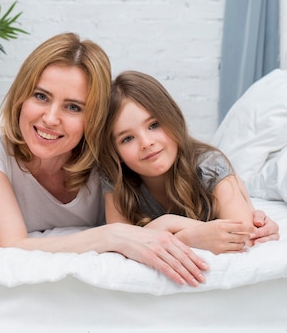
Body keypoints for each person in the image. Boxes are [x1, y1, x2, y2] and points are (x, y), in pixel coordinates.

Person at [0, 32, 279, 286]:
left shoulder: (103, 156)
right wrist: (113, 236)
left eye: (73, 107)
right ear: (21, 94)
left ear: (94, 120)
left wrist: (237, 210)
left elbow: (212, 203)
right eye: (41, 96)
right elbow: (14, 244)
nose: (50, 118)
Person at [99, 70, 278, 254]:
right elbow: (120, 242)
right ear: (116, 152)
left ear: (172, 119)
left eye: (154, 125)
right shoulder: (116, 178)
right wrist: (183, 233)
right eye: (127, 139)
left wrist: (167, 228)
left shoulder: (210, 166)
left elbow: (243, 237)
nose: (146, 143)